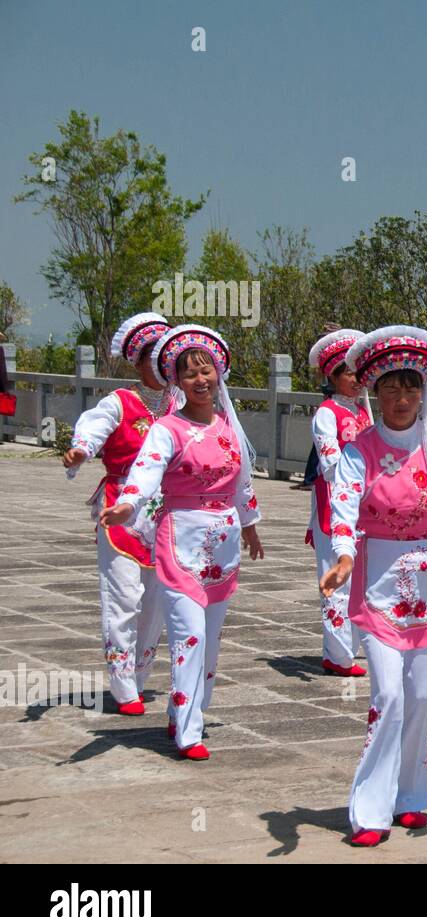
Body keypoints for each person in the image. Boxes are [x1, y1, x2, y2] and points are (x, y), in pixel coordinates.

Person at [319, 325, 427, 845]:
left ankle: (412, 795)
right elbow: (344, 506)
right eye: (390, 388)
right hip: (377, 579)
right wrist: (344, 555)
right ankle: (370, 809)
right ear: (375, 391)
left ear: (424, 391)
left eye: (410, 387)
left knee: (421, 696)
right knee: (389, 694)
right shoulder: (360, 449)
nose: (401, 398)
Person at [101, 324, 264, 760]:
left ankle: (189, 710)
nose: (200, 379)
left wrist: (249, 524)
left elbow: (242, 480)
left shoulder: (228, 426)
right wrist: (127, 505)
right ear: (176, 379)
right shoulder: (167, 429)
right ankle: (188, 730)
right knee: (189, 636)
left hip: (223, 545)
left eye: (206, 370)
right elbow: (146, 473)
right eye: (189, 373)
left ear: (218, 373)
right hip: (180, 541)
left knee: (210, 640)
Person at [64, 312, 173, 715]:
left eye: (167, 356)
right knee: (124, 597)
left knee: (156, 602)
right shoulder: (120, 402)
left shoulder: (182, 403)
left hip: (166, 512)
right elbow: (92, 428)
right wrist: (81, 449)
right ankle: (123, 684)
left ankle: (140, 676)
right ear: (139, 361)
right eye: (153, 357)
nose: (162, 365)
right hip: (122, 509)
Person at [306, 329, 373, 677]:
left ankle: (348, 646)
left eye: (358, 373)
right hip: (334, 501)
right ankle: (338, 652)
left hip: (363, 503)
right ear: (332, 376)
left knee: (360, 575)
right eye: (348, 374)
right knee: (335, 575)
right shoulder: (327, 414)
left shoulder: (365, 412)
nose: (356, 381)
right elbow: (331, 465)